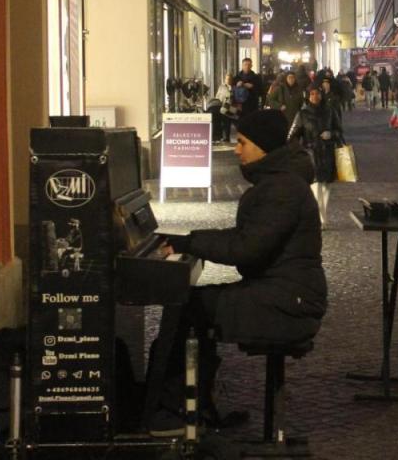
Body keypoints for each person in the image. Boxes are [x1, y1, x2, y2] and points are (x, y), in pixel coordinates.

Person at [145, 110, 327, 437]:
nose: (237, 149)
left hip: (288, 301)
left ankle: (174, 412)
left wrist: (192, 244)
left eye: (242, 142)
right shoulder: (278, 181)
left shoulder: (282, 187)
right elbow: (245, 238)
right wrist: (188, 241)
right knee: (193, 306)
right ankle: (192, 406)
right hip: (284, 292)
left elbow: (246, 248)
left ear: (264, 146)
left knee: (190, 309)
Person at [290, 87, 343, 225]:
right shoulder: (302, 114)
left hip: (328, 152)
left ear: (321, 95)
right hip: (311, 153)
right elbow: (292, 136)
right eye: (312, 94)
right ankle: (320, 218)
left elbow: (339, 130)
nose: (315, 96)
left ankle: (322, 215)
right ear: (307, 96)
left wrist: (331, 134)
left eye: (317, 93)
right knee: (316, 187)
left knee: (326, 187)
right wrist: (299, 151)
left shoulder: (330, 111)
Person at [208, 75, 235, 144]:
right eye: (227, 79)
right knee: (219, 120)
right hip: (220, 106)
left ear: (232, 80)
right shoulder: (221, 87)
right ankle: (218, 137)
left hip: (230, 107)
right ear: (225, 80)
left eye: (229, 79)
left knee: (226, 121)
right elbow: (217, 96)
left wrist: (230, 90)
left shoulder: (234, 87)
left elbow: (230, 96)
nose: (228, 80)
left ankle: (226, 137)